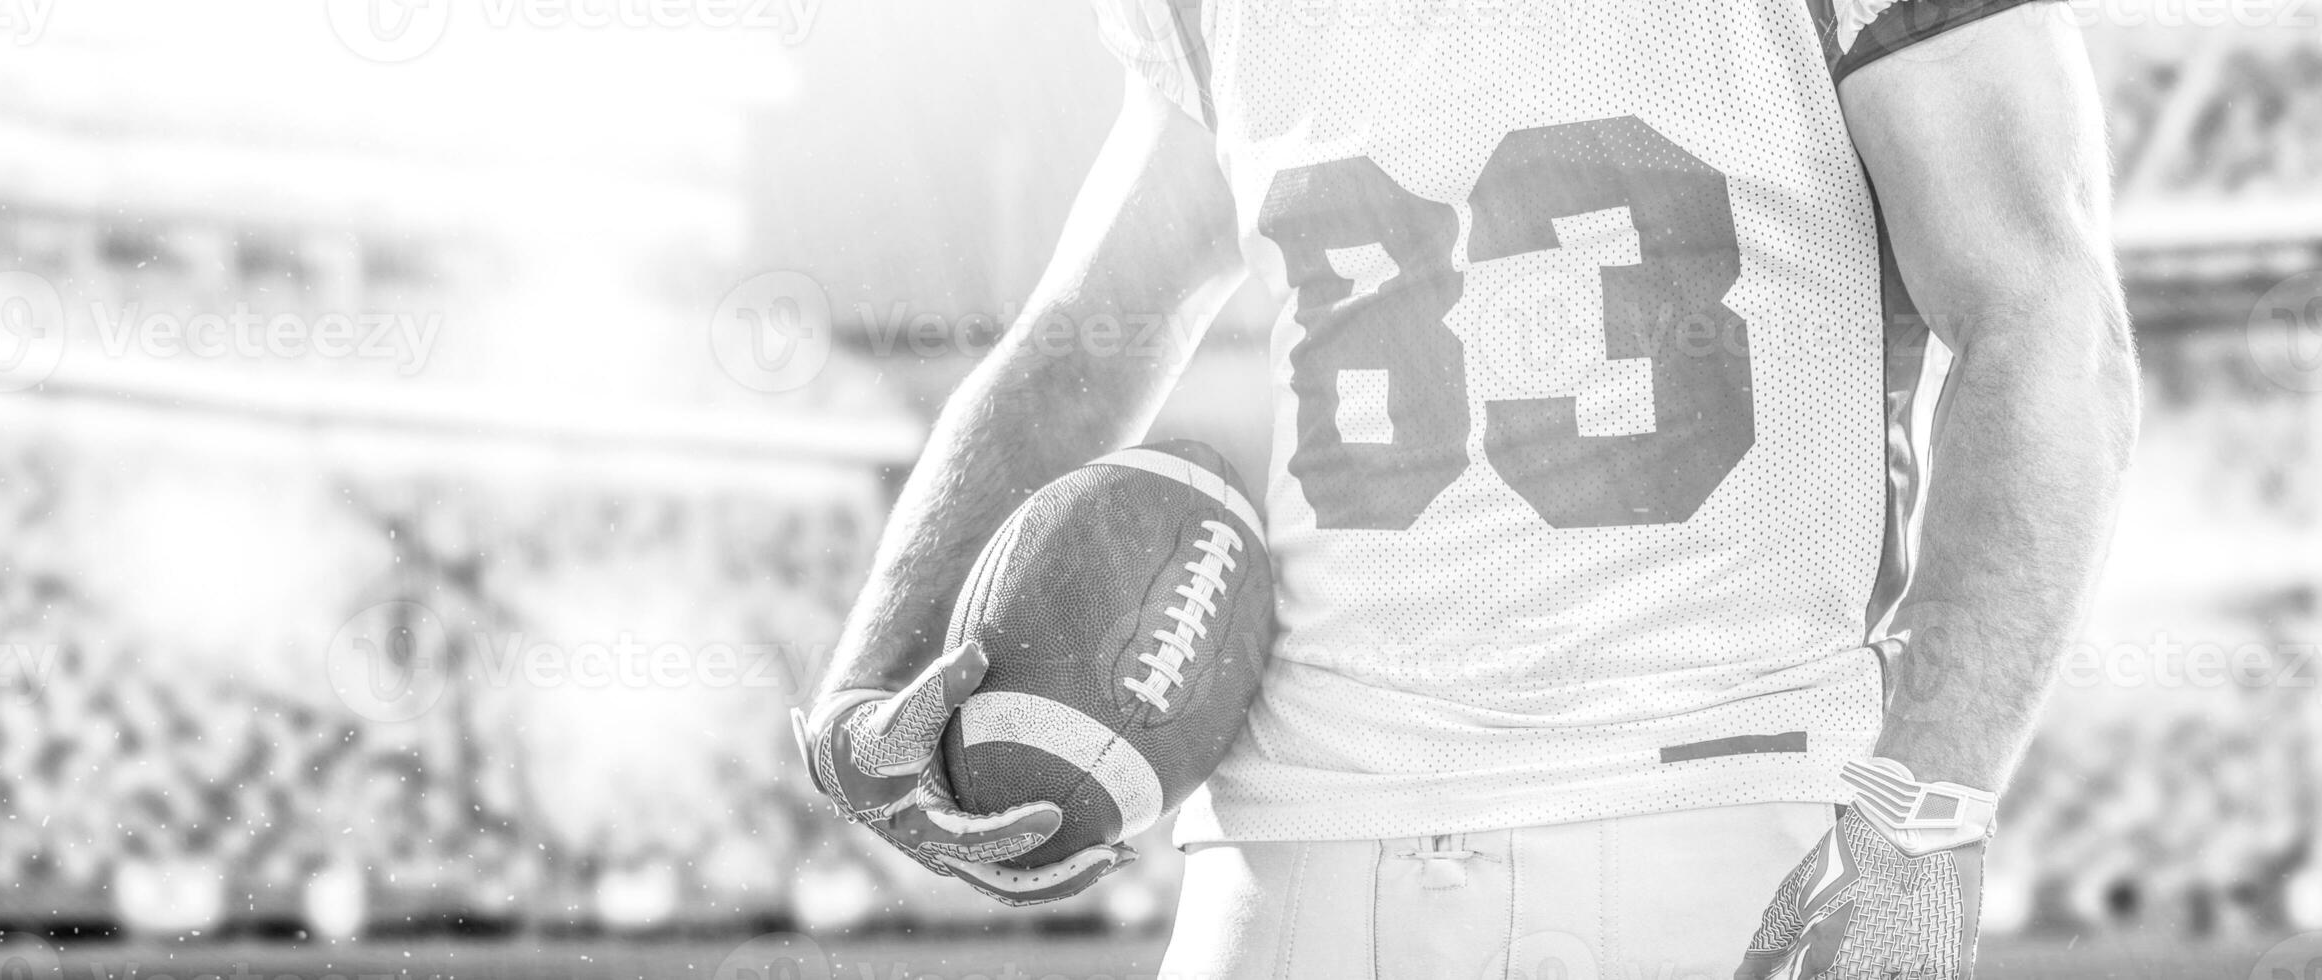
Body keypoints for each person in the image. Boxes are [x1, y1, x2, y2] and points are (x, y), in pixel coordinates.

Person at [795, 0, 2138, 975]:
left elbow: (2042, 323)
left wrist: (1926, 812)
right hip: (1291, 838)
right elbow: (1079, 345)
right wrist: (861, 702)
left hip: (1705, 805)